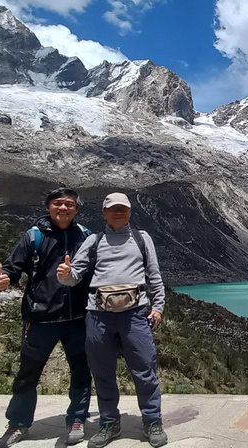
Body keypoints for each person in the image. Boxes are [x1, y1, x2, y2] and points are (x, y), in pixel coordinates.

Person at [57, 192, 168, 448]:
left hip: (135, 314)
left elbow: (154, 275)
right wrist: (65, 275)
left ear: (129, 212)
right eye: (113, 209)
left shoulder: (142, 239)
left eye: (123, 209)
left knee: (145, 370)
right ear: (104, 213)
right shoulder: (94, 241)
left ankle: (152, 421)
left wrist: (158, 307)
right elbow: (74, 276)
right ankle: (109, 422)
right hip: (98, 316)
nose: (119, 213)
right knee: (102, 372)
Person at [0, 187, 93, 447]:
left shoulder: (85, 236)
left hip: (78, 319)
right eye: (57, 203)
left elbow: (97, 271)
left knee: (81, 372)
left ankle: (77, 419)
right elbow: (12, 268)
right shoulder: (34, 237)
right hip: (40, 319)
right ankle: (18, 423)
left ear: (77, 209)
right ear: (48, 207)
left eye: (69, 204)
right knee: (28, 374)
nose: (63, 208)